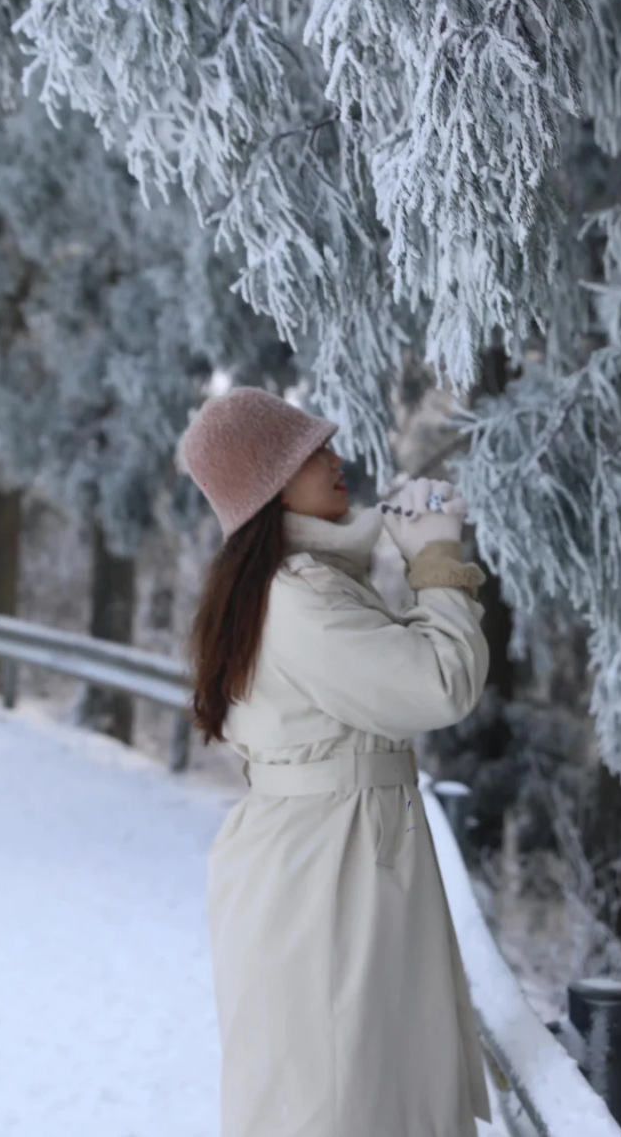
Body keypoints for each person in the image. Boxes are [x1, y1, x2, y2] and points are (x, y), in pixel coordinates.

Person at [180, 385, 492, 1137]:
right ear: (268, 483)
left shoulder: (295, 586)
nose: (335, 458)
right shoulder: (299, 596)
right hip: (326, 872)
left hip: (332, 858)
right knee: (340, 1095)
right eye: (310, 452)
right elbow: (436, 685)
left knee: (347, 1088)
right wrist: (439, 563)